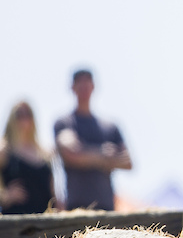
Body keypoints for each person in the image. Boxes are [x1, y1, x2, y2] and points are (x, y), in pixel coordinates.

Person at [54, 69, 132, 211]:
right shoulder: (64, 122)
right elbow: (72, 155)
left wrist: (87, 154)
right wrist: (104, 155)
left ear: (93, 87)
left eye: (87, 83)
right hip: (76, 208)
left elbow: (128, 162)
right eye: (80, 83)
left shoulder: (110, 127)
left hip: (107, 206)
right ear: (73, 87)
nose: (84, 87)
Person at [0, 102, 55, 214]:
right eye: (19, 114)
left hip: (46, 222)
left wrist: (58, 206)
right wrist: (6, 196)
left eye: (28, 114)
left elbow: (52, 191)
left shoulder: (45, 153)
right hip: (16, 223)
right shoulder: (4, 150)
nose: (24, 118)